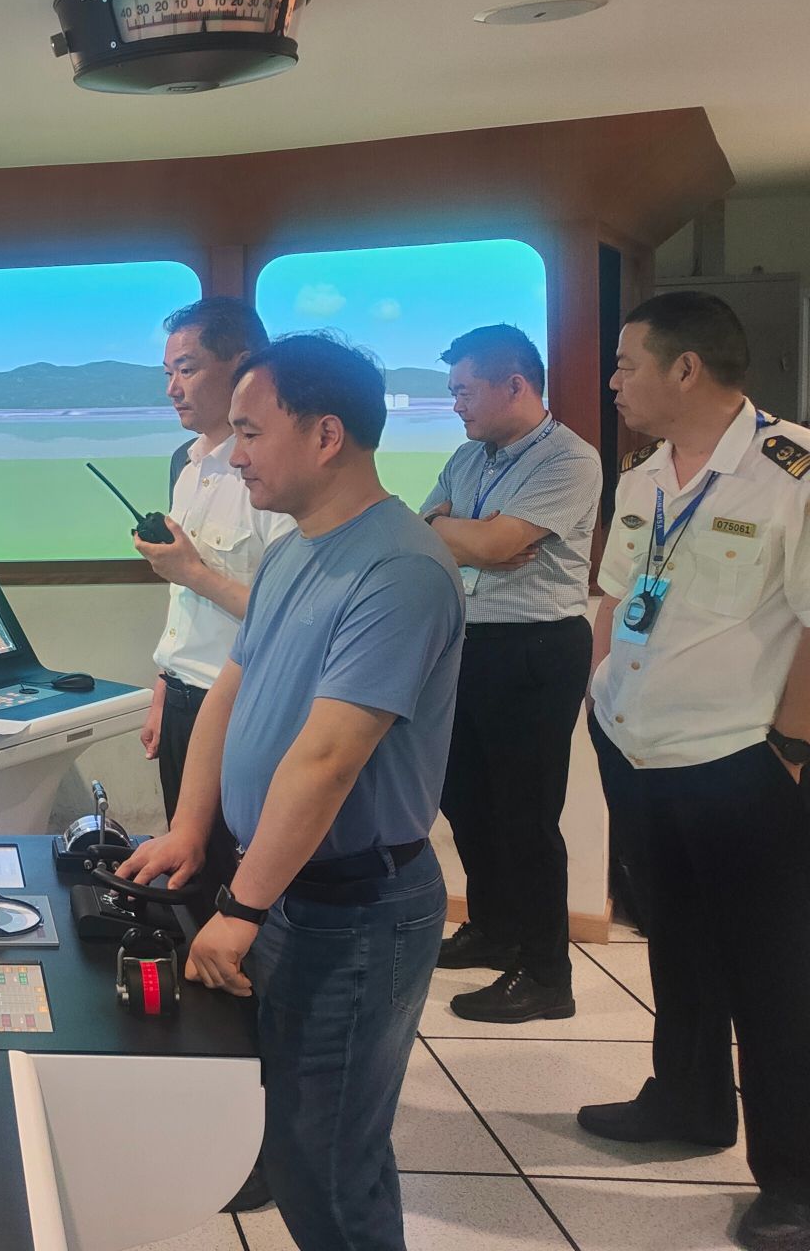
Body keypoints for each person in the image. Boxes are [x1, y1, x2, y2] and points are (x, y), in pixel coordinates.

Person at [123, 333, 464, 1251]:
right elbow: (229, 693)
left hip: (355, 906)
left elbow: (328, 761)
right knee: (295, 1130)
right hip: (285, 888)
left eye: (250, 431)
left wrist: (240, 905)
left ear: (325, 435)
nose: (234, 455)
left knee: (328, 1161)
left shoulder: (399, 569)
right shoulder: (292, 552)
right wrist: (190, 829)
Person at [582, 291, 810, 1250]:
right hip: (639, 751)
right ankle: (688, 1101)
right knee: (674, 944)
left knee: (773, 974)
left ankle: (795, 1182)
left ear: (686, 369)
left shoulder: (790, 472)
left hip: (742, 763)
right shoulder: (643, 476)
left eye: (626, 363)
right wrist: (596, 699)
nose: (613, 381)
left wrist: (789, 752)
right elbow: (616, 596)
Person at [418, 325, 601, 1022]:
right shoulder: (468, 456)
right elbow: (421, 529)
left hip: (536, 649)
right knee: (465, 801)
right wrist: (472, 539)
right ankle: (493, 930)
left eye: (465, 391)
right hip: (465, 644)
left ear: (515, 385)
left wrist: (478, 539)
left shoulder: (569, 459)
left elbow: (498, 542)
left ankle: (547, 974)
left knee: (526, 816)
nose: (455, 405)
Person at [138, 297, 293, 888]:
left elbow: (291, 618)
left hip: (244, 708)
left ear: (244, 365)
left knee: (241, 883)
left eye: (188, 369)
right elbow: (187, 604)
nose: (173, 388)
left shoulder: (276, 476)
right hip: (184, 702)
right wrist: (164, 685)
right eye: (168, 373)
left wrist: (194, 572)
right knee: (189, 879)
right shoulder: (187, 465)